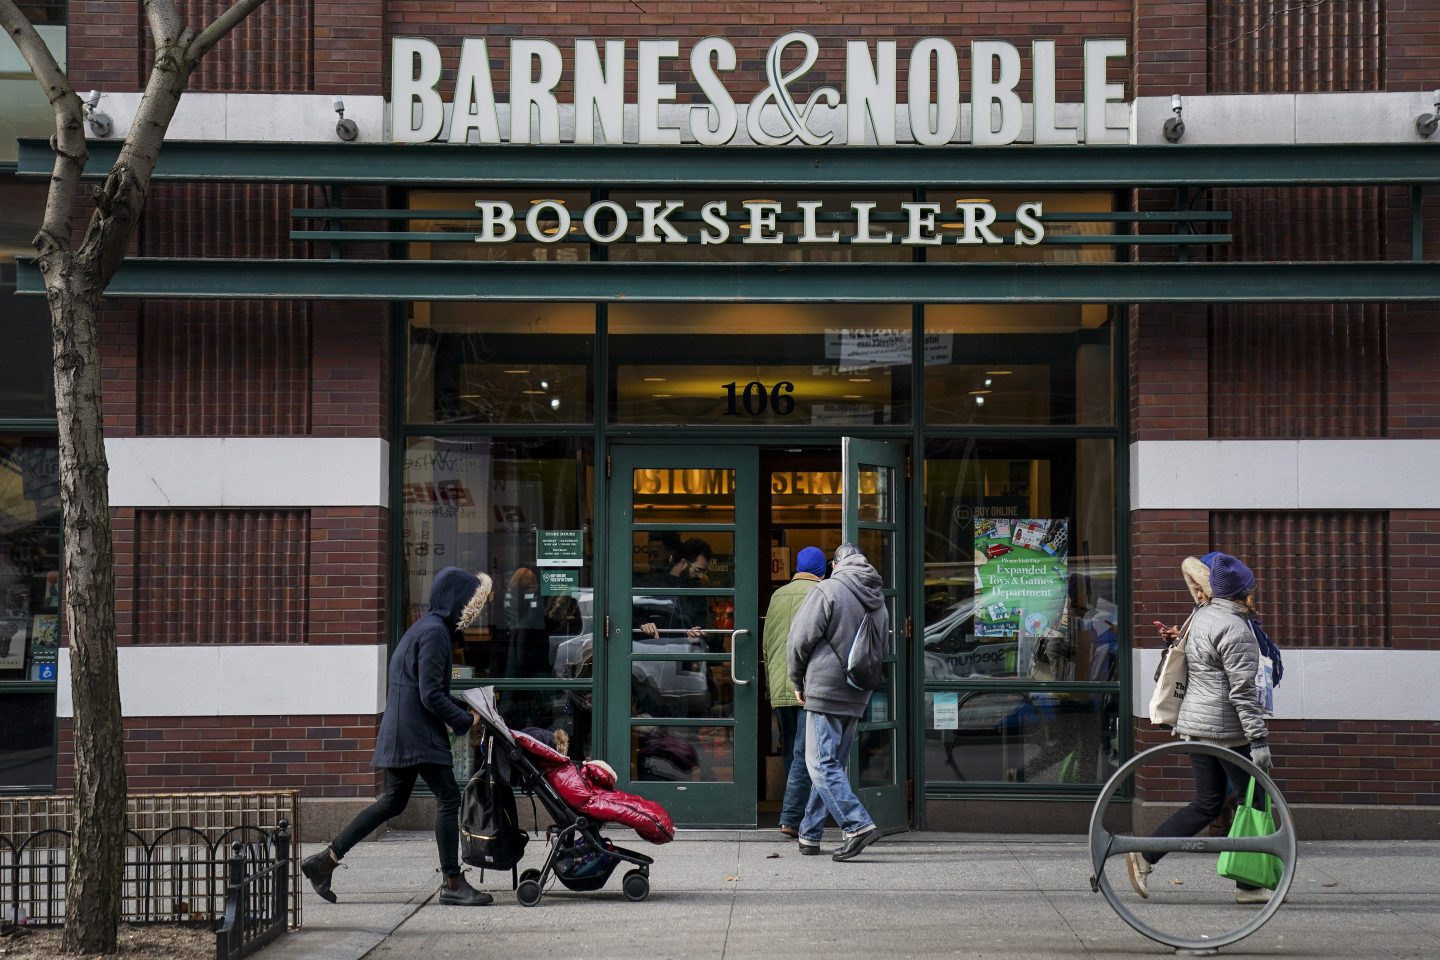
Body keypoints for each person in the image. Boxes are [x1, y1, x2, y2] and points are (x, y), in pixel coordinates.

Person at [302, 566, 495, 907]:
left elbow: (427, 689)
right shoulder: (435, 634)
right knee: (449, 797)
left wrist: (463, 711)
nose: (473, 614)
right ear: (457, 602)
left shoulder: (424, 627)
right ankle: (452, 882)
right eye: (471, 605)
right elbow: (430, 695)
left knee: (393, 802)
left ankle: (325, 861)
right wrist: (463, 721)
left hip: (402, 730)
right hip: (417, 734)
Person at [1127, 552, 1275, 905]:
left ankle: (1144, 856)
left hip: (1195, 724)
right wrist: (1258, 740)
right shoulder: (1235, 628)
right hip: (1225, 730)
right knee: (1254, 800)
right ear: (1243, 592)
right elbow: (1243, 693)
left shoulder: (1201, 616)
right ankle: (1249, 884)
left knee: (1207, 804)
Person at [787, 542, 888, 861]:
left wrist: (797, 679)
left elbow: (800, 638)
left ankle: (858, 824)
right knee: (831, 765)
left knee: (819, 763)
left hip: (826, 687)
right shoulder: (879, 600)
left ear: (836, 564)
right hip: (858, 690)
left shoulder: (828, 589)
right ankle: (809, 834)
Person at [762, 546, 825, 839]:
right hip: (807, 684)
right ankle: (791, 817)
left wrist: (769, 687)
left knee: (792, 751)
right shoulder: (822, 594)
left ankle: (797, 813)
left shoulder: (777, 596)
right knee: (804, 752)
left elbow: (766, 645)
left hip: (780, 684)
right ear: (822, 570)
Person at [637, 537, 712, 641]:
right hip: (653, 651)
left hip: (685, 652)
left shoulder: (698, 593)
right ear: (683, 562)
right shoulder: (652, 585)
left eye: (703, 572)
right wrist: (643, 625)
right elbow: (635, 615)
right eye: (698, 570)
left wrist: (698, 631)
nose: (700, 576)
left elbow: (704, 625)